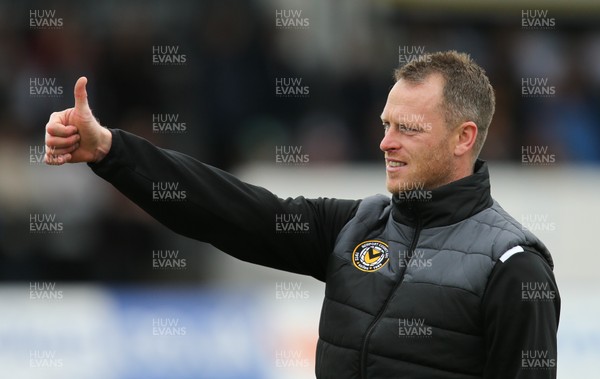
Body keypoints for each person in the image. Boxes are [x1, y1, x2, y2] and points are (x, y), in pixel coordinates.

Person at [45, 51, 560, 379]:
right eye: (385, 124)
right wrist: (111, 151)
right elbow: (227, 210)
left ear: (463, 137)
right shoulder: (357, 225)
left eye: (408, 129)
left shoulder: (512, 265)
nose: (386, 142)